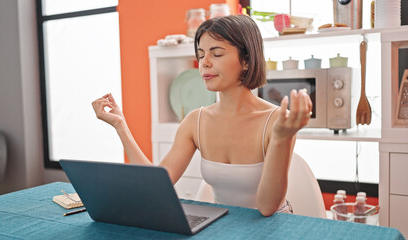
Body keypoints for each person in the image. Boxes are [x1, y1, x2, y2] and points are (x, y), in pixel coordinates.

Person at [92, 15, 312, 217]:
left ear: (246, 60)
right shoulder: (195, 121)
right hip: (224, 227)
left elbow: (267, 208)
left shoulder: (277, 122)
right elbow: (157, 184)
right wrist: (121, 126)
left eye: (216, 54)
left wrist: (283, 137)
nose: (204, 62)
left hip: (273, 228)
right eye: (200, 55)